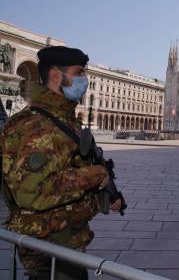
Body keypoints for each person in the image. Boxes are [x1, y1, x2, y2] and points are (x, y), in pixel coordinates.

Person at [1, 46, 121, 280]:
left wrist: (104, 197)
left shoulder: (66, 122)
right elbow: (33, 193)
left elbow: (68, 182)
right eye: (79, 73)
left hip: (67, 243)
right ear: (56, 75)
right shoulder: (33, 126)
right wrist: (97, 174)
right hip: (47, 249)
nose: (84, 80)